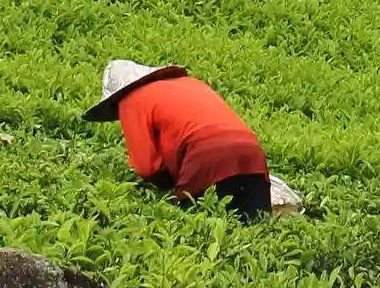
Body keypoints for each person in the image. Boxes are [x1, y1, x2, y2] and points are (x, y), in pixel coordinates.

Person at [85, 59, 271, 219]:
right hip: (251, 152)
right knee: (256, 224)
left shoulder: (131, 101)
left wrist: (166, 187)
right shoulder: (192, 83)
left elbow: (147, 166)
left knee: (193, 221)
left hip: (205, 154)